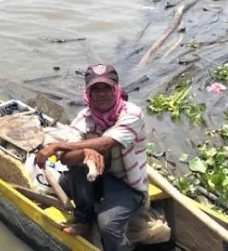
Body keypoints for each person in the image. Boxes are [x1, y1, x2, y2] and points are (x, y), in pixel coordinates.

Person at [35, 64, 148, 251]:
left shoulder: (132, 114)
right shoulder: (85, 117)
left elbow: (105, 144)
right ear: (88, 93)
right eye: (96, 89)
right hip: (97, 179)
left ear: (116, 89)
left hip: (126, 184)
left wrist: (57, 145)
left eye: (106, 88)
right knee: (77, 160)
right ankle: (84, 220)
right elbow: (64, 159)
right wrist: (86, 152)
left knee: (108, 225)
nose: (101, 94)